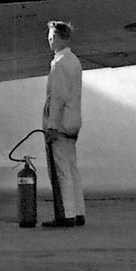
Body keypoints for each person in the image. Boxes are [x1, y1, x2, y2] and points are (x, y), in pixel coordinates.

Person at [42, 20, 85, 228]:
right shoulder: (74, 61)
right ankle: (78, 211)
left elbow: (57, 98)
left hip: (60, 124)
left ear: (58, 37)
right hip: (74, 122)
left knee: (61, 171)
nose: (49, 40)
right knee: (72, 168)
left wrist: (51, 125)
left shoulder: (59, 64)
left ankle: (65, 215)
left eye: (51, 36)